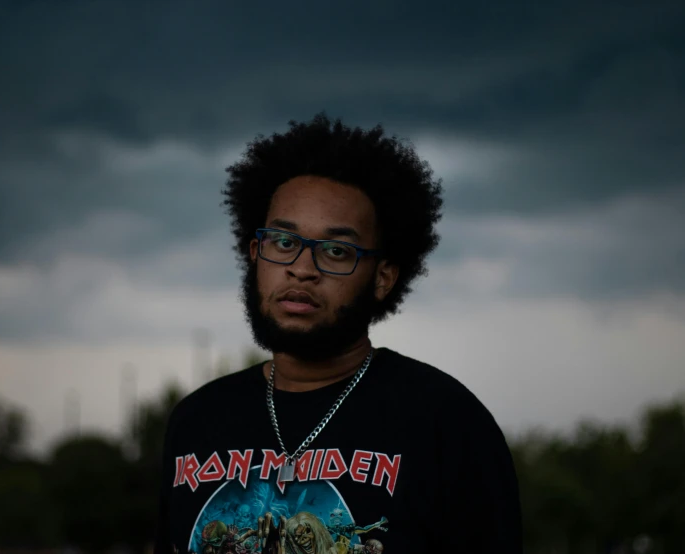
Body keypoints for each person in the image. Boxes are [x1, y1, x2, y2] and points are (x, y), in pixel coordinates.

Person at [154, 113, 522, 554]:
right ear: (255, 254)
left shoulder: (445, 422)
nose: (303, 268)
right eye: (284, 242)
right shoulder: (196, 422)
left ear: (383, 277)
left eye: (336, 250)